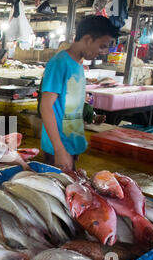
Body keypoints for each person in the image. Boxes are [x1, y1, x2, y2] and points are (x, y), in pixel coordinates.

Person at [39, 15, 118, 171]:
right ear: (88, 39)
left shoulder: (78, 65)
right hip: (58, 147)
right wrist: (59, 149)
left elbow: (71, 104)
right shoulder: (59, 63)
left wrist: (77, 142)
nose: (103, 52)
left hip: (70, 145)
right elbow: (46, 106)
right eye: (102, 46)